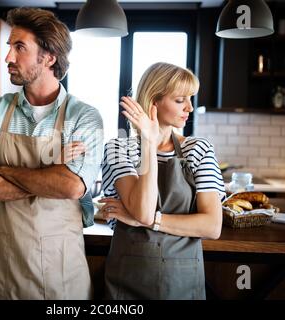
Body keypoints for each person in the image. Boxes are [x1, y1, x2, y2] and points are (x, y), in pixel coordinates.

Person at [0, 7, 103, 300]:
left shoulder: (84, 117)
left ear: (49, 57)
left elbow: (71, 186)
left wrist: (0, 169)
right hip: (2, 270)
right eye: (9, 46)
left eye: (19, 47)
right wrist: (50, 171)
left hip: (61, 275)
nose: (8, 57)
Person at [100, 62, 225, 300]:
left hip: (183, 279)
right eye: (180, 100)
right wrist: (148, 141)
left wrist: (147, 221)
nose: (190, 107)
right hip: (127, 281)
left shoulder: (199, 149)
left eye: (190, 98)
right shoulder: (117, 149)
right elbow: (143, 210)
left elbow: (211, 226)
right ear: (154, 102)